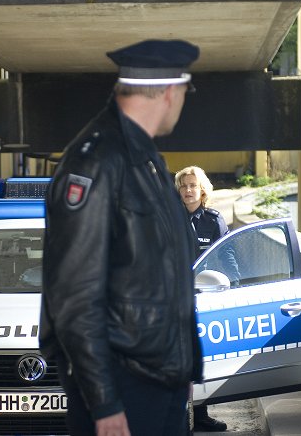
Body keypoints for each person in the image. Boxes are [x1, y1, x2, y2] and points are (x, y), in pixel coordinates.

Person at [40, 39, 203, 436]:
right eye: (185, 91)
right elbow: (74, 296)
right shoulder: (96, 161)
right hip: (122, 386)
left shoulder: (143, 158)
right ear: (169, 91)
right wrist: (105, 402)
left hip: (158, 380)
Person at [175, 165, 232, 432]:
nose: (188, 190)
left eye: (192, 185)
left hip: (206, 299)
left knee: (203, 359)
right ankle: (174, 417)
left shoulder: (213, 220)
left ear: (202, 189)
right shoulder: (169, 219)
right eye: (184, 185)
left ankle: (200, 416)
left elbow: (226, 256)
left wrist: (236, 283)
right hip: (174, 301)